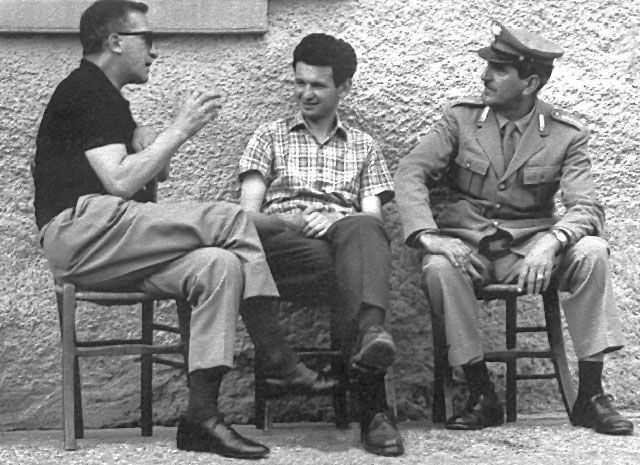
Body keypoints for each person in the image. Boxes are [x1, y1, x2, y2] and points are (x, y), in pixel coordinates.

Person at [32, 0, 333, 459]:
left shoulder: (109, 99)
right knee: (226, 217)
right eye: (147, 39)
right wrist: (180, 128)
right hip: (80, 232)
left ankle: (201, 419)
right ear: (115, 42)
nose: (155, 51)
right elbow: (122, 182)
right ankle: (277, 355)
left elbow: (141, 177)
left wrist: (149, 143)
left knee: (218, 265)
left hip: (113, 246)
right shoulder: (86, 89)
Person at [395, 21, 633, 436]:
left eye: (500, 69)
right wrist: (429, 236)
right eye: (488, 66)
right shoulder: (460, 120)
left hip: (532, 252)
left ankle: (592, 395)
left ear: (531, 83)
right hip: (470, 247)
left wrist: (552, 241)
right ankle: (480, 393)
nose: (485, 76)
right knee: (438, 267)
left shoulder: (566, 135)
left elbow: (587, 206)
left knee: (593, 251)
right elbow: (410, 172)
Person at [238, 33, 404, 457]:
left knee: (362, 233)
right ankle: (374, 407)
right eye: (300, 82)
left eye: (318, 85)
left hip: (343, 244)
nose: (306, 93)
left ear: (343, 87)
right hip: (284, 248)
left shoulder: (364, 146)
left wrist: (336, 220)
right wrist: (292, 221)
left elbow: (372, 219)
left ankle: (369, 345)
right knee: (358, 268)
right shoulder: (269, 137)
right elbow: (245, 219)